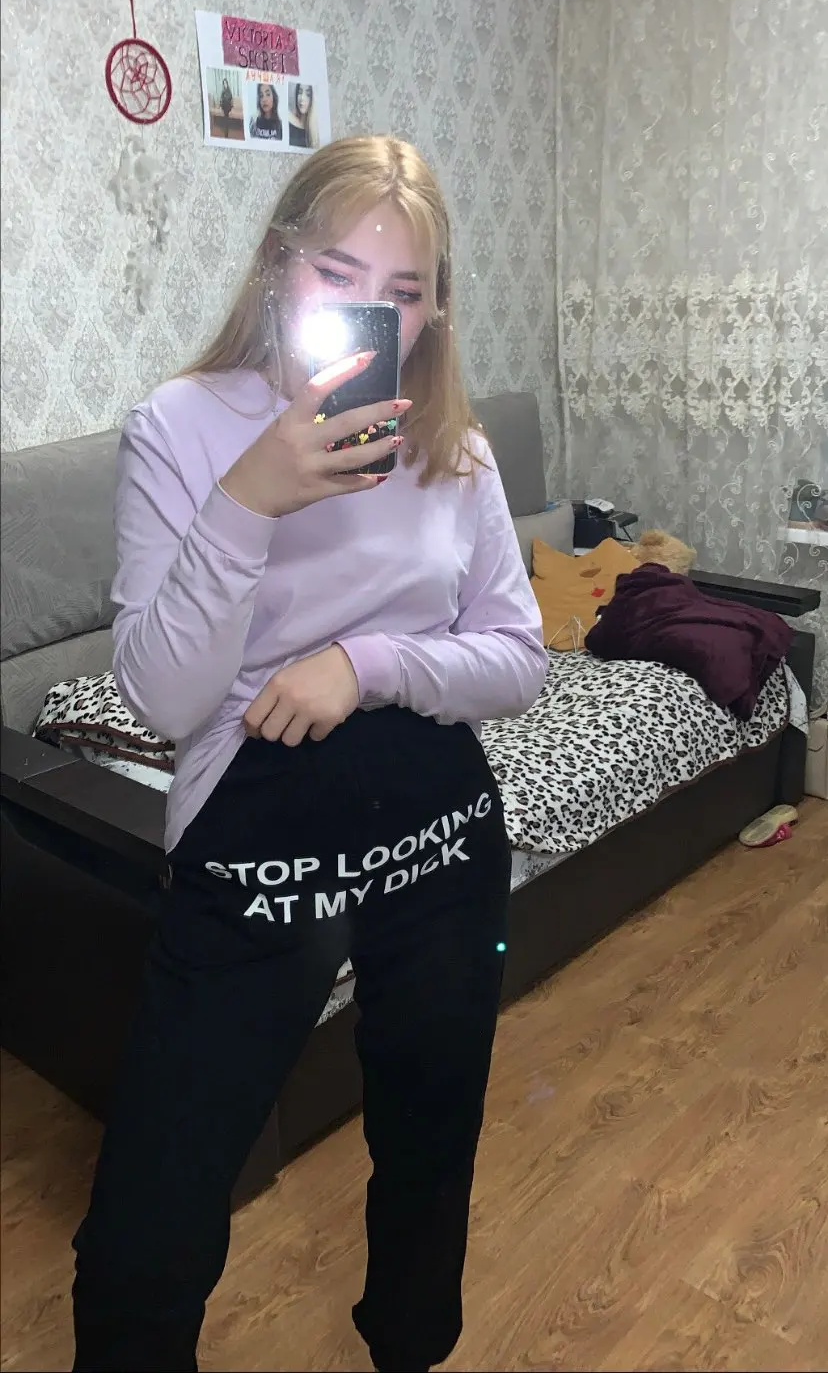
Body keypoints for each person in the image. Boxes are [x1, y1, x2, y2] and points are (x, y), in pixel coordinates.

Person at [70, 134, 548, 1373]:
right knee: (151, 1216)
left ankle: (410, 1348)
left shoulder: (455, 445)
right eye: (340, 275)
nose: (372, 311)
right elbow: (164, 698)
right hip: (256, 840)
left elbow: (518, 657)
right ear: (282, 263)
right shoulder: (180, 426)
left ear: (435, 308)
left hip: (440, 833)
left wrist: (366, 662)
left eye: (404, 291)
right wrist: (250, 496)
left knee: (430, 1140)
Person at [289, 81, 318, 148]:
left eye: (308, 94)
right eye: (299, 92)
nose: (302, 98)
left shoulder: (315, 132)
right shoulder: (289, 119)